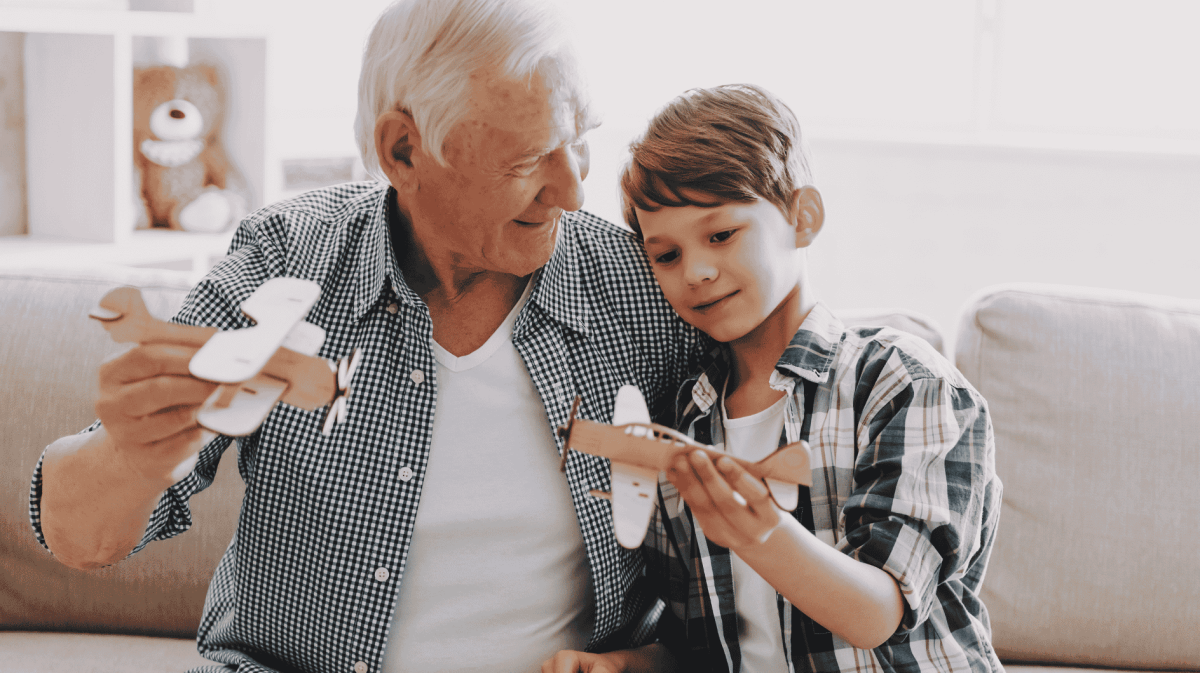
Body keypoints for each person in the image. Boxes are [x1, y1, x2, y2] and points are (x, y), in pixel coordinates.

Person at [30, 1, 704, 671]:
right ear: (403, 150)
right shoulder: (287, 256)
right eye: (527, 159)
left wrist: (645, 663)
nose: (572, 190)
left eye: (579, 139)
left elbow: (741, 591)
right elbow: (81, 539)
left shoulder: (644, 288)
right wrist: (135, 452)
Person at [608, 83, 1004, 673]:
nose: (696, 271)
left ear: (803, 217)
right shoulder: (684, 418)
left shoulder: (904, 383)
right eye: (666, 255)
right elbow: (707, 643)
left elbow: (876, 613)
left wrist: (760, 531)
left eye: (721, 235)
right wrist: (628, 665)